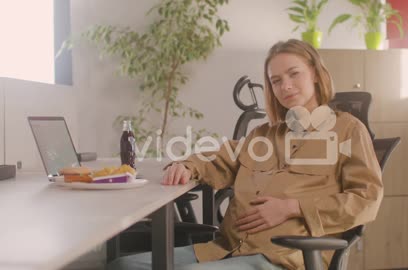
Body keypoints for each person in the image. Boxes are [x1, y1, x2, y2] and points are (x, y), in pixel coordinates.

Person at [108, 39, 383, 270]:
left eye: (294, 74)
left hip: (280, 259)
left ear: (314, 73)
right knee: (123, 266)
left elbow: (366, 199)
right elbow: (220, 158)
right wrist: (187, 165)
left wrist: (293, 207)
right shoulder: (264, 134)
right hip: (226, 249)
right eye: (276, 80)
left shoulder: (348, 130)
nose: (285, 86)